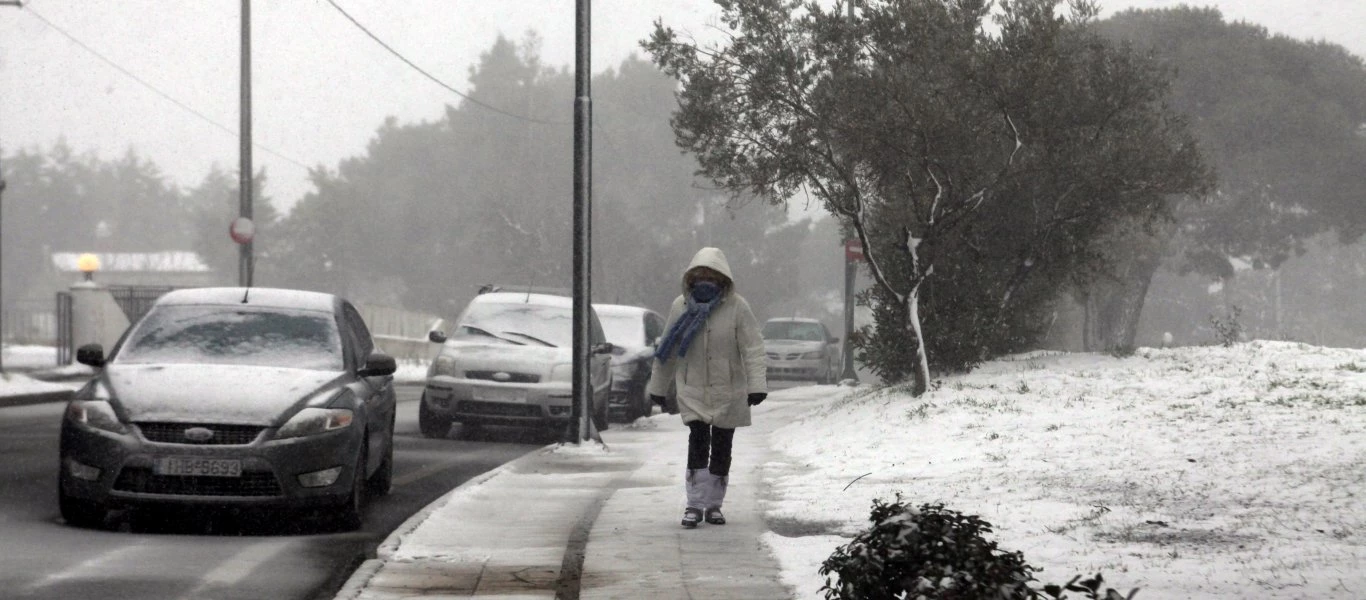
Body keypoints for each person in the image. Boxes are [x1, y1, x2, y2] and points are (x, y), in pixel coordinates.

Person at [647, 247, 767, 529]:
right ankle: (694, 503)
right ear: (690, 276)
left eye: (711, 275)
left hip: (729, 389)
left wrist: (756, 385)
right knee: (698, 441)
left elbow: (753, 348)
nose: (705, 279)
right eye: (699, 274)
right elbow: (669, 348)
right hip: (692, 387)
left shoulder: (737, 307)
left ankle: (714, 504)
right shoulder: (681, 306)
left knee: (723, 445)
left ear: (722, 278)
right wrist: (658, 387)